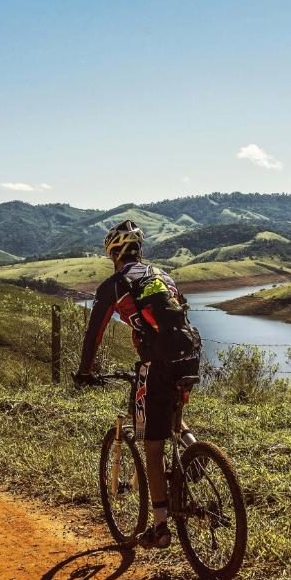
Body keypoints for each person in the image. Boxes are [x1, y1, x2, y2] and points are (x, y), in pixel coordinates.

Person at [74, 220, 202, 550]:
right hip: (189, 356)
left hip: (156, 365)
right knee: (172, 415)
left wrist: (85, 371)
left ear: (113, 254)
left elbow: (94, 335)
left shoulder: (115, 285)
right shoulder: (162, 275)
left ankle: (160, 527)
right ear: (139, 251)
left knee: (153, 444)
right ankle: (196, 451)